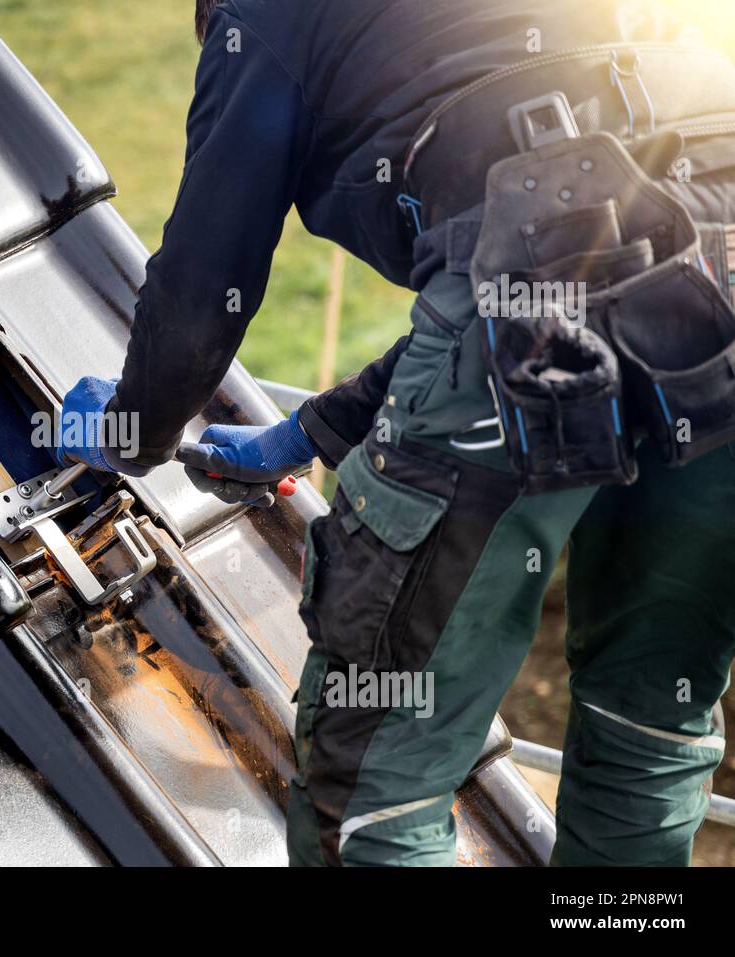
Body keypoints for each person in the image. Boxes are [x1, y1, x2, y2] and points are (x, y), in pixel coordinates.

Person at [54, 0, 735, 866]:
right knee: (650, 718)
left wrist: (128, 428)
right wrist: (313, 428)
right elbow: (562, 254)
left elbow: (198, 301)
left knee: (378, 785)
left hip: (548, 289)